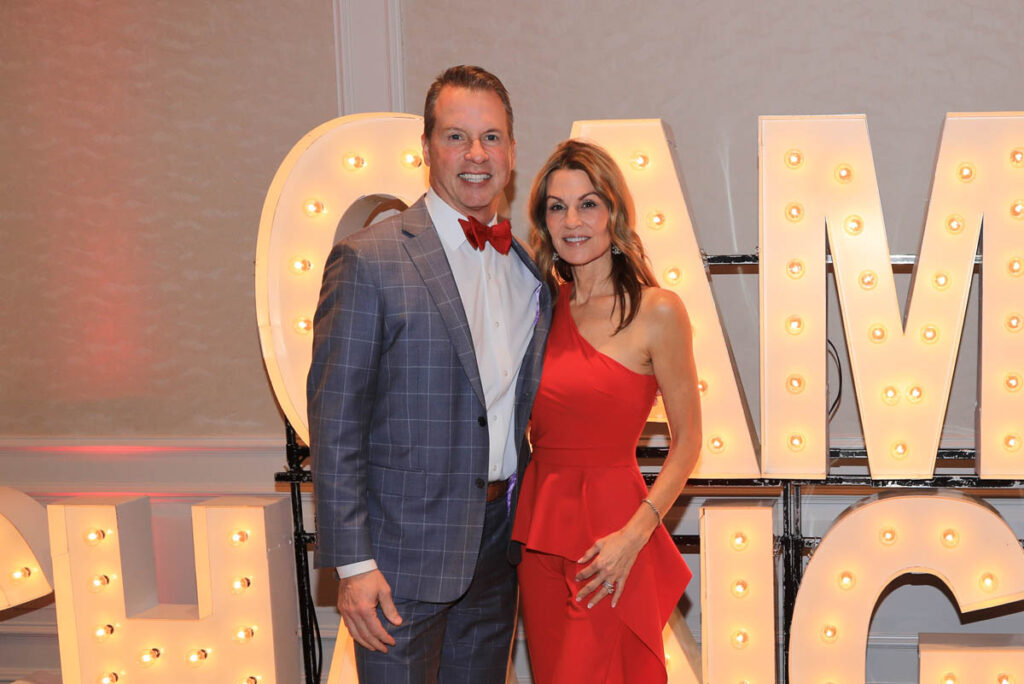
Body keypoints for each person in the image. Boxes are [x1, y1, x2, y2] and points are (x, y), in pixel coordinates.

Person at [307, 65, 552, 683]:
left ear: (512, 152)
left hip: (498, 550)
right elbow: (335, 423)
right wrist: (353, 565)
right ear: (425, 148)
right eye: (455, 136)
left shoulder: (527, 270)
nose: (476, 154)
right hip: (398, 562)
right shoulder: (369, 258)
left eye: (491, 137)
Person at [510, 139, 702, 683]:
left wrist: (634, 536)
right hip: (538, 533)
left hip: (611, 537)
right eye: (557, 207)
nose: (572, 221)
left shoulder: (657, 310)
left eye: (588, 204)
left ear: (614, 212)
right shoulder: (537, 309)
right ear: (544, 222)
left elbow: (688, 443)